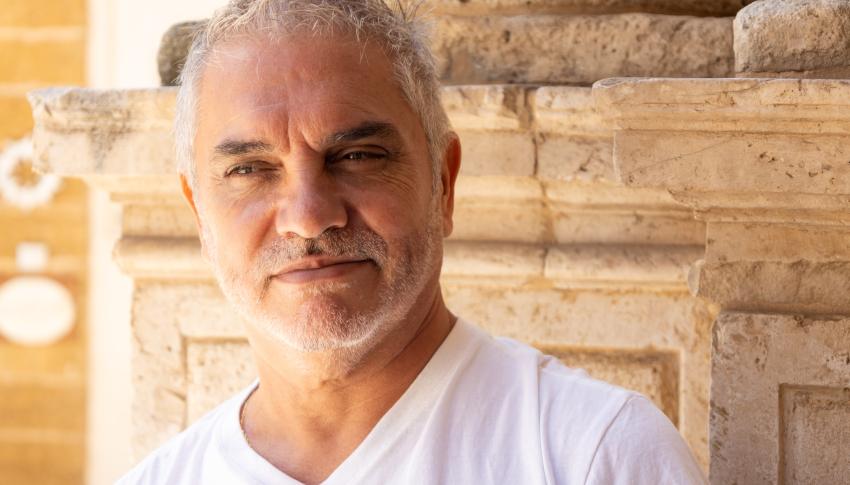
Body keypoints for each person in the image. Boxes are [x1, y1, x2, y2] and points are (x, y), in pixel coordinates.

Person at [119, 0, 707, 483]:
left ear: (443, 183)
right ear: (199, 212)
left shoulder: (594, 456)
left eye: (356, 156)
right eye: (249, 169)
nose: (308, 217)